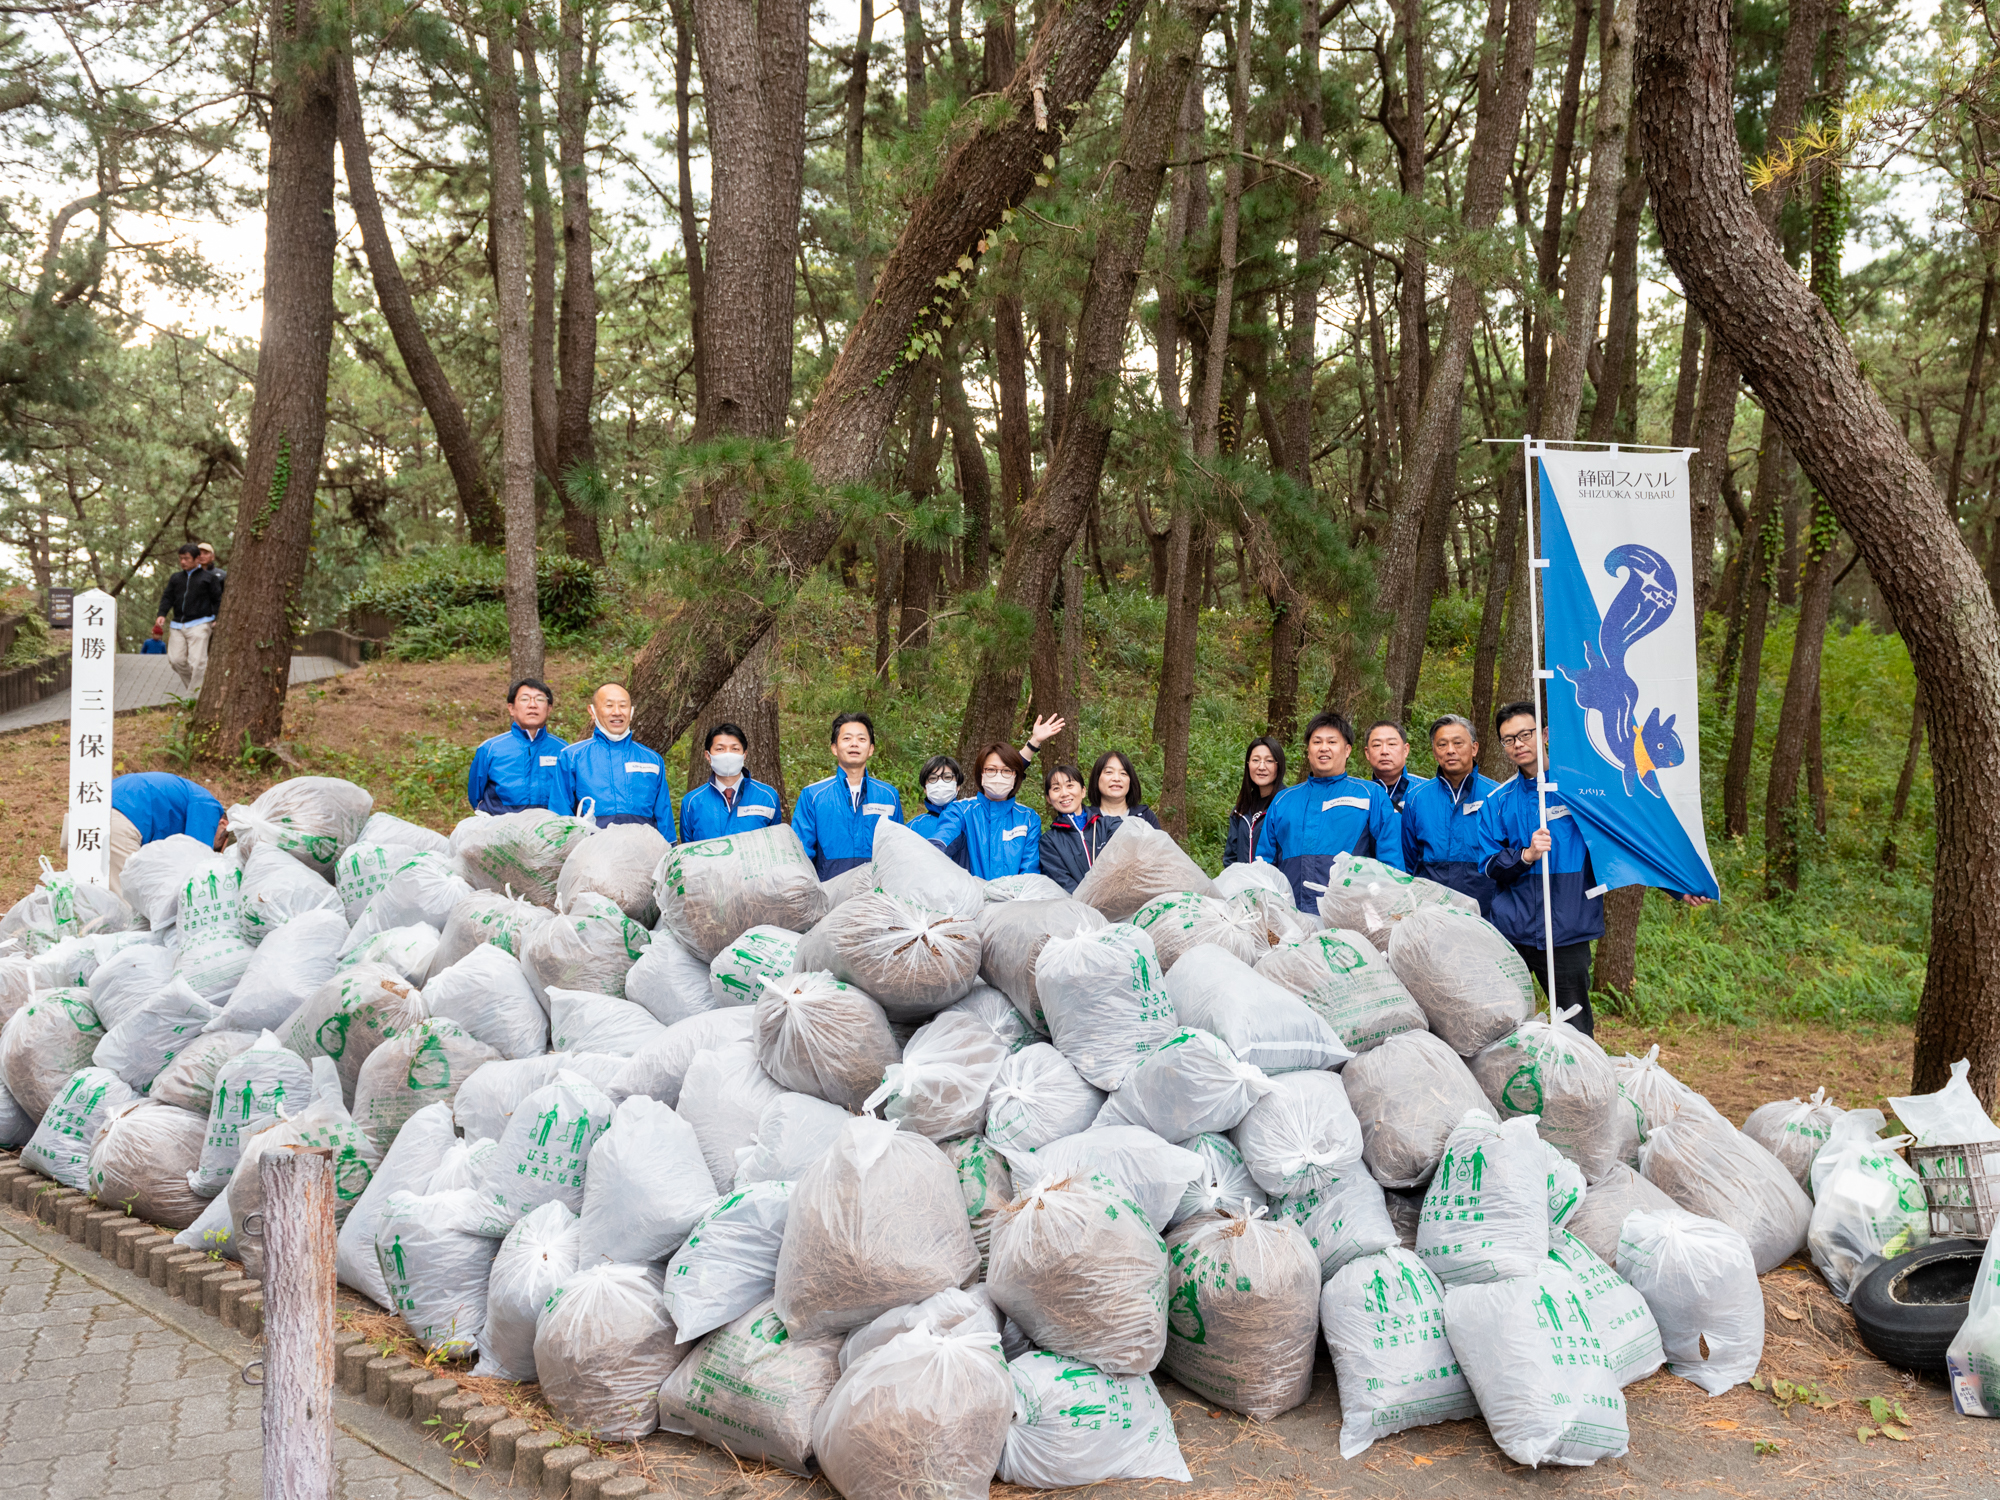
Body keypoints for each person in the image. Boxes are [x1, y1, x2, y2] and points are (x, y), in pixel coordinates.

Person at [1477, 701, 1602, 1033]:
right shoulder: (1498, 800)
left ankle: (1580, 1084)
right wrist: (1526, 856)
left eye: (1525, 734)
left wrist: (1679, 888)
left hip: (1567, 929)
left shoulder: (1581, 790)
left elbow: (1624, 844)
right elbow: (1488, 865)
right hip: (1513, 932)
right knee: (1504, 1024)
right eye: (1508, 739)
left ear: (1544, 734)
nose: (1518, 744)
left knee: (1575, 1028)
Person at [1255, 711, 1404, 910]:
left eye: (1332, 742)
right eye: (1317, 742)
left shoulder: (1371, 795)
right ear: (1308, 750)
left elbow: (1390, 864)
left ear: (1347, 750)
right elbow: (1264, 866)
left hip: (1350, 920)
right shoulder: (1283, 800)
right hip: (1292, 919)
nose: (1323, 748)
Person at [1401, 714, 1499, 916]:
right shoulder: (1417, 798)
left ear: (1474, 748)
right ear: (1435, 753)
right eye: (1442, 744)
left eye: (1458, 743)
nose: (1450, 750)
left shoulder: (1496, 796)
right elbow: (1409, 861)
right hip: (1431, 914)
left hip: (1485, 914)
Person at [791, 712, 904, 878]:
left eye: (861, 739)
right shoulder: (813, 795)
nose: (854, 744)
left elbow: (898, 850)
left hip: (876, 897)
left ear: (871, 749)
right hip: (830, 896)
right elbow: (800, 855)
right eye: (847, 738)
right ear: (834, 748)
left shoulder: (888, 795)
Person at [556, 683, 675, 837]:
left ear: (631, 712)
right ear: (592, 711)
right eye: (609, 705)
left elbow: (663, 816)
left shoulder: (652, 760)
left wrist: (669, 851)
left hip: (642, 853)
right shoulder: (572, 757)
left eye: (623, 706)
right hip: (589, 854)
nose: (617, 712)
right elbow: (560, 815)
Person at [97, 772, 228, 894]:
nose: (215, 850)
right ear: (223, 824)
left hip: (101, 807)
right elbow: (197, 863)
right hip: (126, 815)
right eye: (218, 846)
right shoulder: (209, 807)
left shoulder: (191, 795)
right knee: (129, 900)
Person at [931, 743, 1042, 877]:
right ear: (981, 773)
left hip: (1015, 897)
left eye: (1007, 770)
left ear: (1016, 776)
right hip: (971, 896)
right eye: (991, 769)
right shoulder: (961, 811)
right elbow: (940, 844)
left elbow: (1030, 872)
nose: (998, 776)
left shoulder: (1028, 818)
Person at [466, 678, 570, 815]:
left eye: (539, 699)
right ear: (511, 708)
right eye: (525, 699)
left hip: (548, 831)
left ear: (549, 708)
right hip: (500, 829)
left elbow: (569, 796)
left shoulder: (564, 751)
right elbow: (476, 796)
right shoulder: (490, 749)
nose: (532, 705)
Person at [679, 721, 783, 842]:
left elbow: (776, 846)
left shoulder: (767, 797)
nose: (728, 754)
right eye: (720, 749)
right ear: (708, 756)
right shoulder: (692, 802)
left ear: (744, 755)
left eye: (735, 748)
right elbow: (688, 851)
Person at [155, 542, 224, 694]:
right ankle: (195, 691)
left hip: (201, 623)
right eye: (181, 558)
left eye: (186, 558)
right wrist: (162, 614)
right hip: (177, 625)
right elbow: (167, 597)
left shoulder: (209, 578)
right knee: (176, 661)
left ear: (197, 559)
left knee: (198, 662)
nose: (183, 562)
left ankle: (193, 698)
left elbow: (217, 600)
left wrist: (217, 618)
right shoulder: (175, 578)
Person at [1224, 736, 1286, 866]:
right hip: (1245, 884)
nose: (1261, 767)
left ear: (1278, 765)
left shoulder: (1287, 805)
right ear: (1248, 764)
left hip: (1275, 885)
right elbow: (1231, 859)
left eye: (1269, 761)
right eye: (1256, 760)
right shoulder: (1240, 809)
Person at [1038, 763, 1093, 892]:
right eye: (1056, 788)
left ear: (1083, 791)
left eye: (1070, 785)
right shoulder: (1049, 842)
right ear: (1048, 798)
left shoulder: (1105, 825)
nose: (1064, 793)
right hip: (1077, 908)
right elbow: (1061, 882)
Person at [1363, 721, 1428, 813]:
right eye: (1377, 745)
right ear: (1367, 753)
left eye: (1392, 744)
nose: (1384, 751)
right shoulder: (1359, 795)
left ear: (1405, 750)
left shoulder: (1425, 790)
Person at [905, 755, 965, 840]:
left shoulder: (970, 822)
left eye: (947, 777)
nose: (940, 783)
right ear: (925, 788)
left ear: (958, 785)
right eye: (933, 778)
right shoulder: (914, 827)